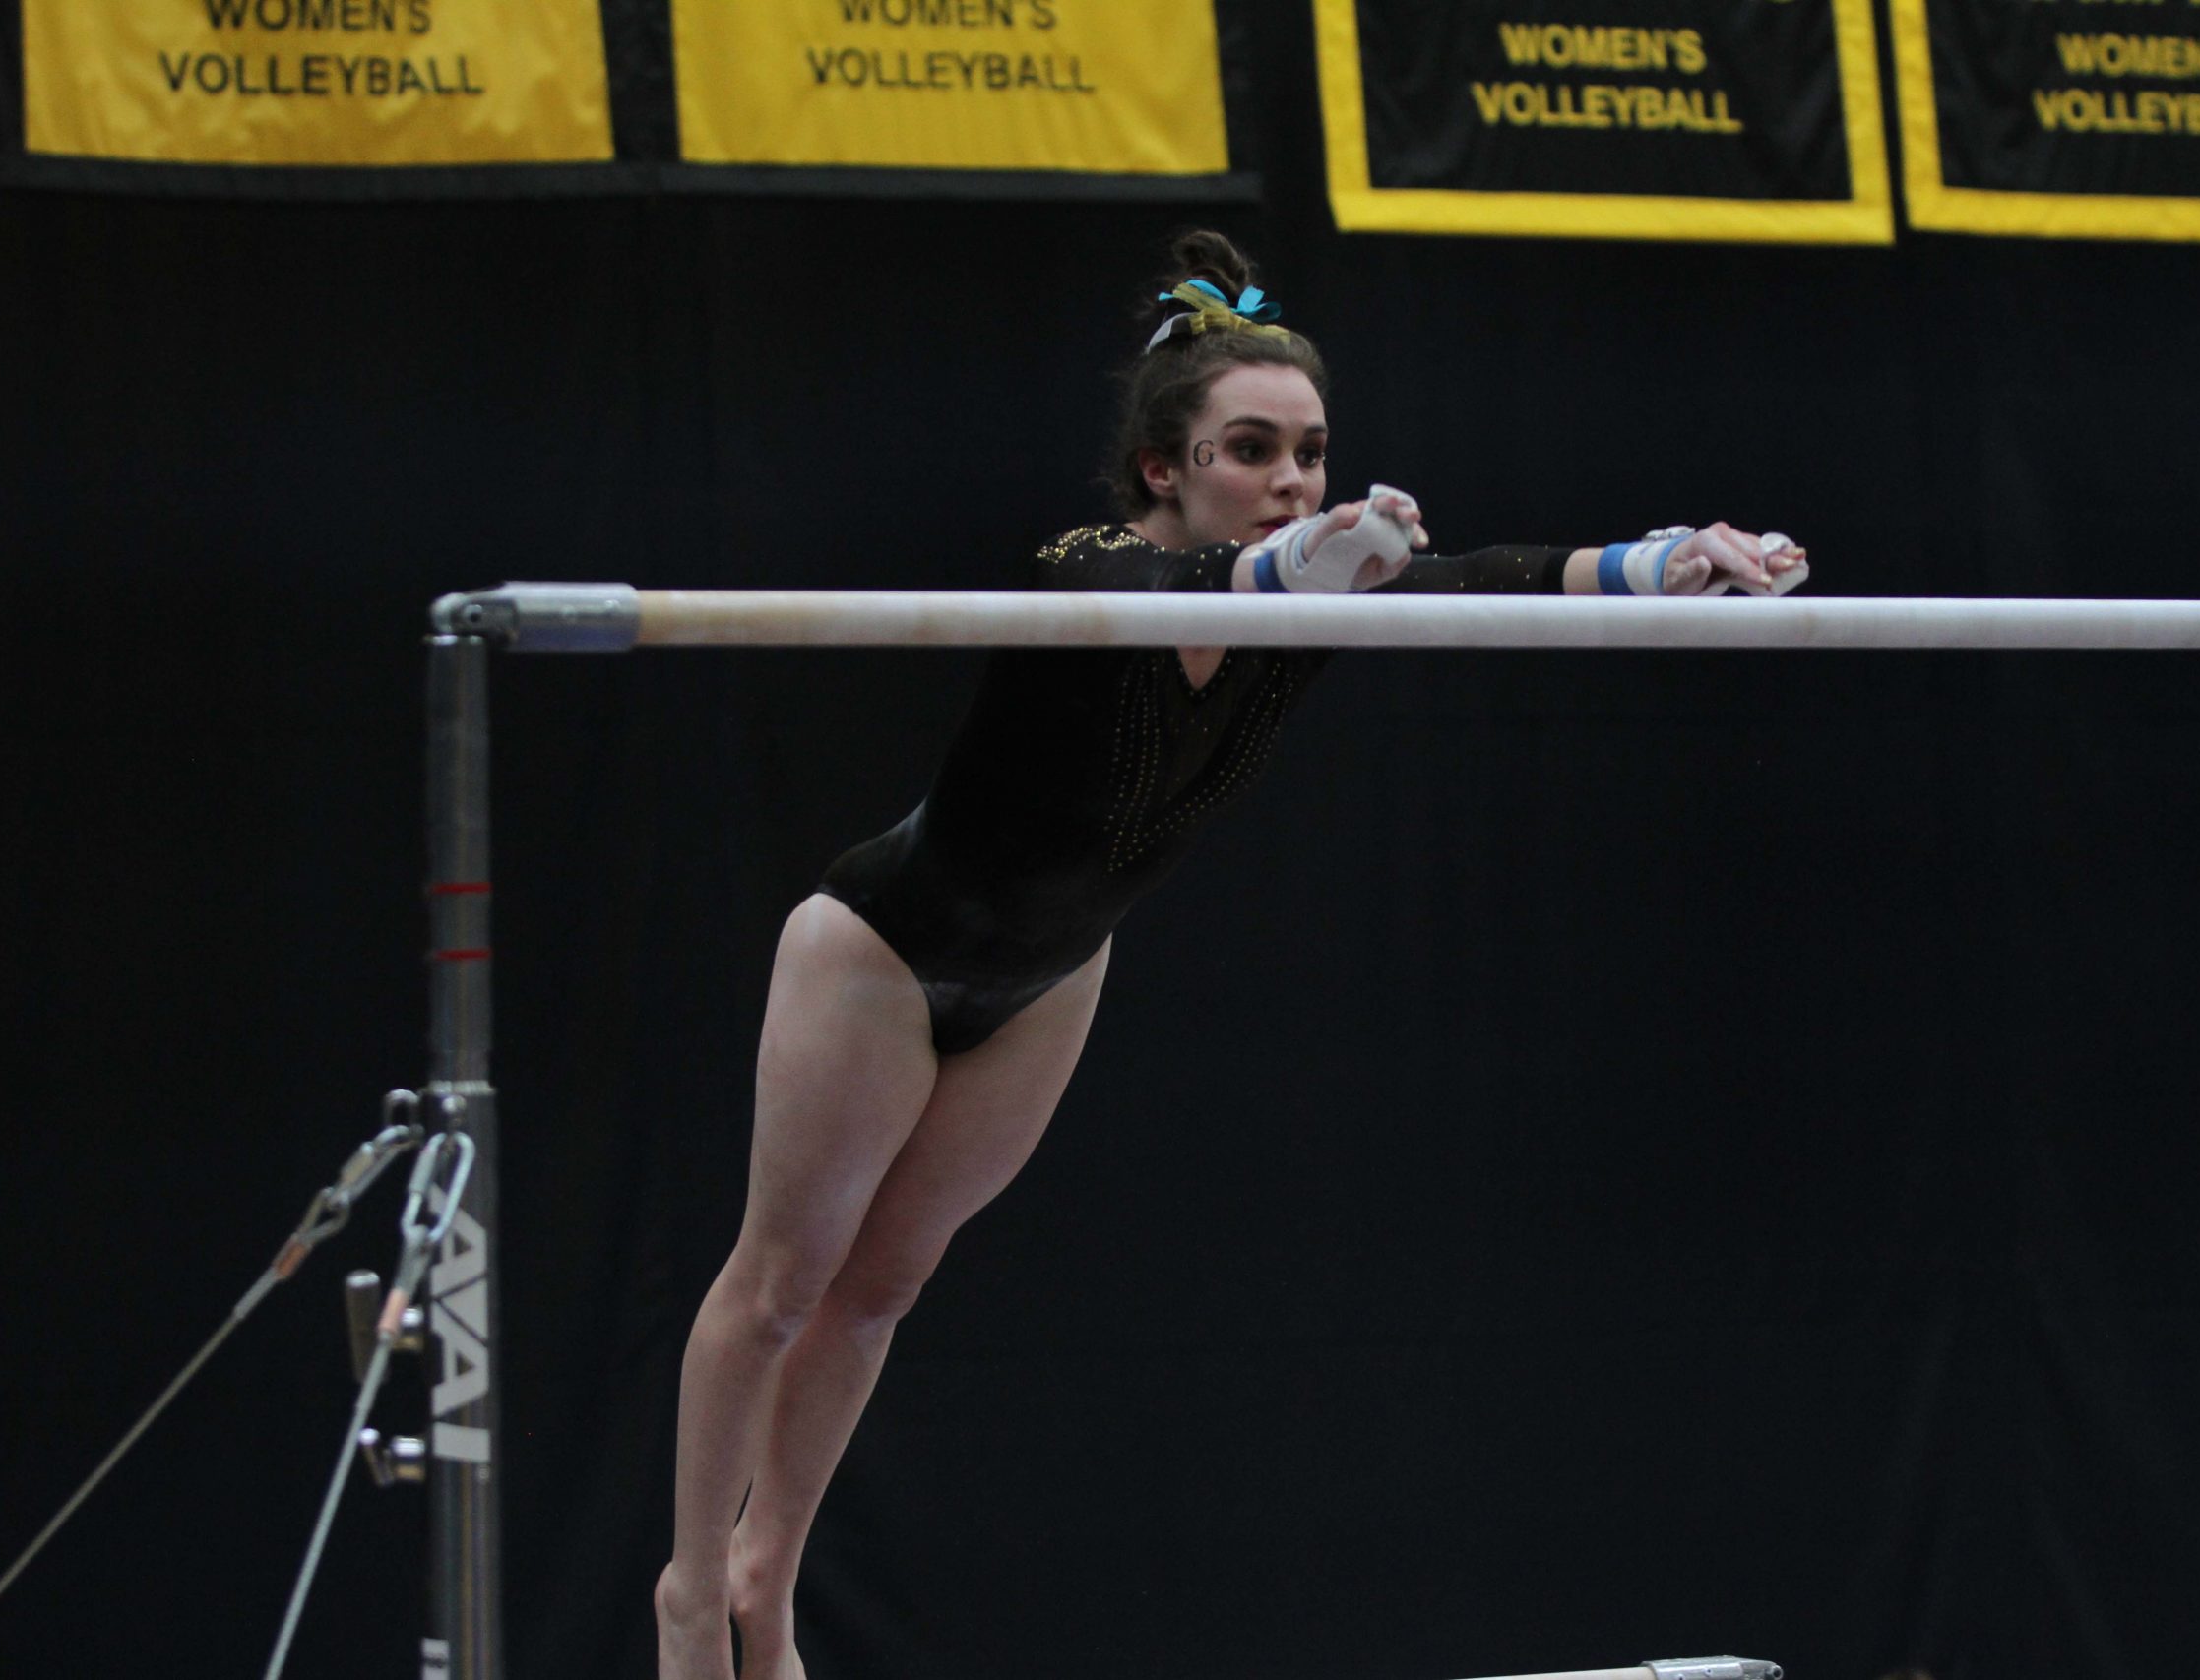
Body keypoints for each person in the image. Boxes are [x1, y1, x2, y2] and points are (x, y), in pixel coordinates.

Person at [652, 230, 1806, 1680]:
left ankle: (773, 1575)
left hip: (1052, 974)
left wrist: (1666, 562)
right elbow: (1217, 579)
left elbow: (1492, 575)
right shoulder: (1086, 572)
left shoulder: (1318, 595)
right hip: (881, 952)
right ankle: (694, 1591)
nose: (1292, 474)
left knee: (882, 1288)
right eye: (1253, 448)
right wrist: (1293, 562)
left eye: (1312, 454)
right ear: (1165, 468)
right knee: (780, 1285)